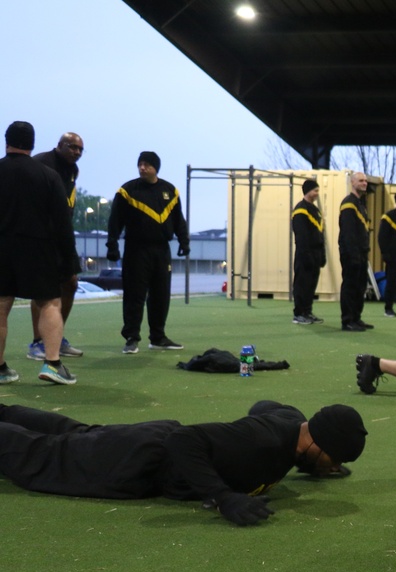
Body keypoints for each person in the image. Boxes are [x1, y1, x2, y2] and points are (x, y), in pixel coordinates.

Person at [0, 401, 367, 526]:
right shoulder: (262, 443)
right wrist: (224, 497)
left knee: (71, 433)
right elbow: (184, 440)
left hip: (145, 440)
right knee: (40, 456)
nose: (332, 468)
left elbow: (262, 406)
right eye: (332, 461)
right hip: (139, 462)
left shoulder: (291, 422)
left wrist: (313, 464)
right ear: (317, 443)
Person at [0, 121, 78, 385]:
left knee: (0, 306)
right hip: (38, 248)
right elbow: (62, 222)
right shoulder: (47, 175)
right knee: (49, 304)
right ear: (32, 144)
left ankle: (0, 369)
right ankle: (52, 364)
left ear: (6, 140)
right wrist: (70, 261)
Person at [107, 151, 190, 354]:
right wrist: (112, 245)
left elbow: (179, 220)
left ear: (156, 168)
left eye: (147, 164)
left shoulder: (170, 191)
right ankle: (132, 338)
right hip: (136, 250)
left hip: (162, 250)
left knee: (161, 295)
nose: (142, 168)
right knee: (135, 295)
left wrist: (184, 241)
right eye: (140, 164)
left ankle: (158, 337)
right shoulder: (127, 191)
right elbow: (115, 220)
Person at [30, 132, 85, 360]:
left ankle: (56, 336)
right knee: (42, 290)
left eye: (80, 149)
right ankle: (38, 342)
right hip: (40, 237)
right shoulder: (41, 163)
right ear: (60, 145)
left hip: (62, 235)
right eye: (72, 147)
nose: (76, 152)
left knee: (70, 283)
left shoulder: (72, 170)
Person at [339, 171, 372, 332]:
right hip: (351, 253)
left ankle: (356, 318)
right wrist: (353, 254)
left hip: (362, 252)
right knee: (350, 285)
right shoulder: (348, 203)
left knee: (360, 286)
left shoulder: (360, 204)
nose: (364, 183)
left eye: (365, 181)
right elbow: (348, 232)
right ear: (352, 183)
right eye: (361, 180)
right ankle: (347, 320)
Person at [291, 178, 326, 325]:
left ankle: (307, 311)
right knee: (302, 284)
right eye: (315, 190)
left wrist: (322, 254)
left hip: (316, 255)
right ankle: (298, 313)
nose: (317, 193)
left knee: (311, 285)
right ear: (308, 191)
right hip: (304, 254)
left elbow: (320, 234)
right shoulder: (300, 209)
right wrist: (306, 255)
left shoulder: (316, 211)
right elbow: (301, 235)